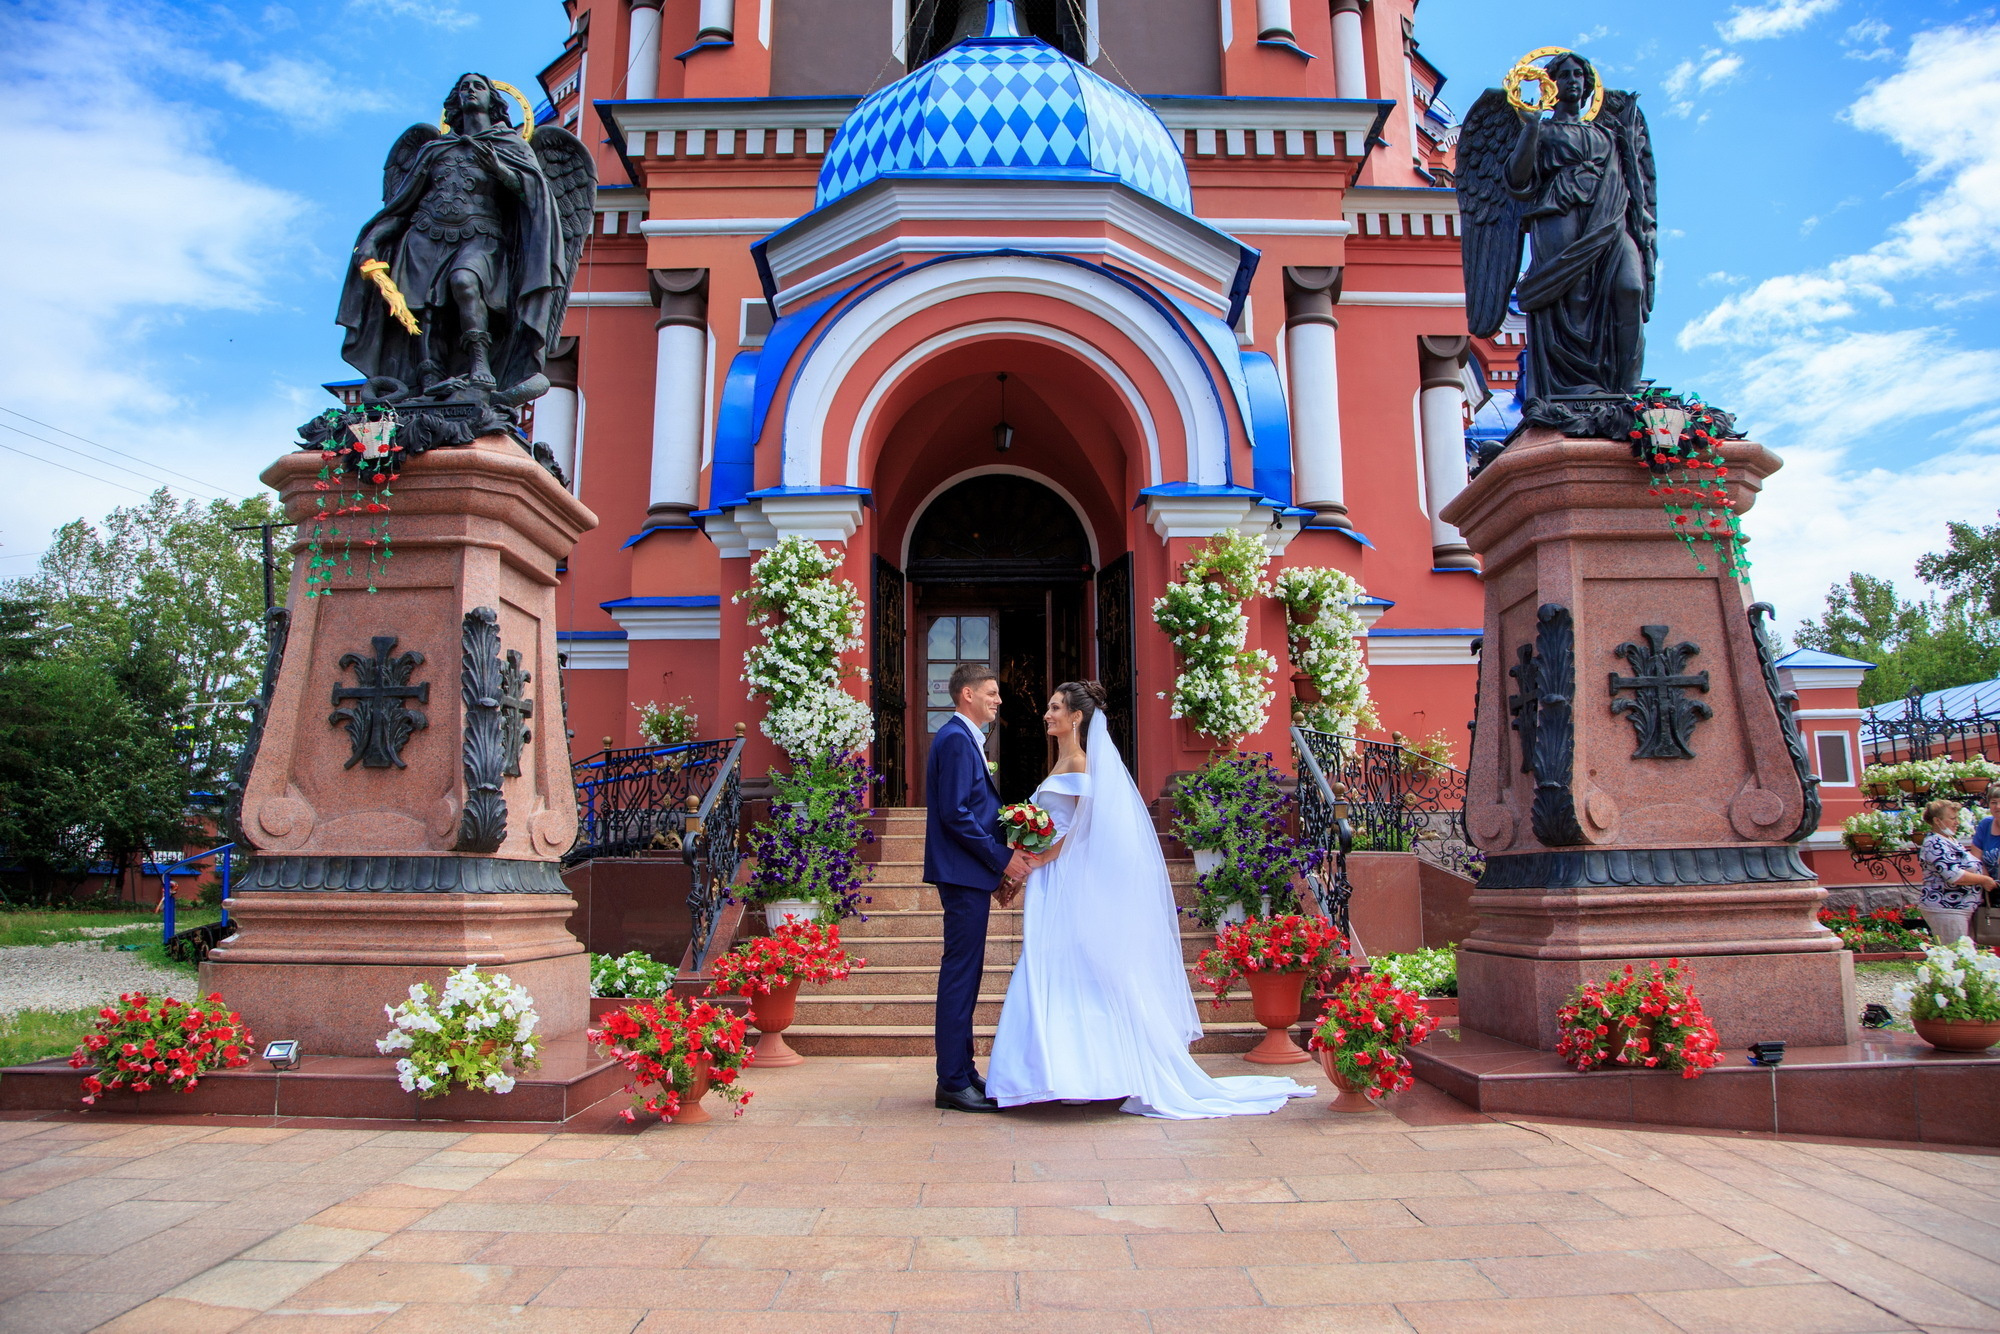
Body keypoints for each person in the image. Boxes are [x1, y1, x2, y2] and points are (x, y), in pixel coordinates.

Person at [984, 681, 1317, 1119]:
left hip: (1063, 877)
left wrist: (1039, 857)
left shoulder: (1082, 763)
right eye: (1049, 707)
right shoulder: (1064, 760)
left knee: (1066, 964)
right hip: (1050, 877)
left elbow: (1087, 827)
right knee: (1056, 966)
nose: (1046, 714)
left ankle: (1081, 1072)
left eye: (1054, 707)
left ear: (1076, 717)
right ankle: (1065, 1073)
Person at [923, 663, 1032, 1114]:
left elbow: (972, 809)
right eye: (991, 692)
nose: (999, 700)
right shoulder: (954, 740)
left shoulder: (965, 739)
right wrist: (1001, 858)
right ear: (966, 694)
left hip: (968, 873)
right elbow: (955, 814)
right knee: (960, 976)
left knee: (966, 976)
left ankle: (963, 1072)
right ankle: (951, 1080)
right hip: (961, 873)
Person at [1915, 799, 1996, 945]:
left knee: (1964, 955)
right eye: (1952, 818)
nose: (1957, 822)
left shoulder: (1949, 839)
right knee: (1955, 955)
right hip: (1947, 908)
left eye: (1957, 818)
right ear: (1937, 821)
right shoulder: (1934, 843)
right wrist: (1984, 880)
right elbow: (1954, 875)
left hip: (1960, 908)